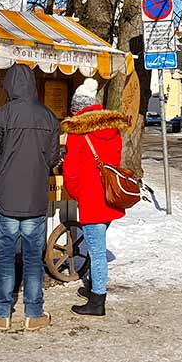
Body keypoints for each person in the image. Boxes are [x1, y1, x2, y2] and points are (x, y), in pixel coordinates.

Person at [0, 65, 60, 332]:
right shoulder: (49, 117)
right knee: (33, 258)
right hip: (35, 198)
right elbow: (52, 159)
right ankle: (34, 313)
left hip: (5, 197)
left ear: (10, 86)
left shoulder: (2, 115)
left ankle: (1, 313)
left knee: (4, 257)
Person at [60, 78, 128, 317]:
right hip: (109, 197)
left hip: (91, 199)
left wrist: (77, 192)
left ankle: (97, 301)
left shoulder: (79, 133)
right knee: (96, 245)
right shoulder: (113, 130)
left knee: (97, 251)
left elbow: (70, 172)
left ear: (78, 109)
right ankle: (92, 286)